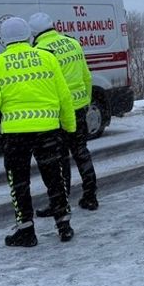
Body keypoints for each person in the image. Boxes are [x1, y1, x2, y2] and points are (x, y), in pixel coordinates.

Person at [0, 16, 76, 246]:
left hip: (16, 134)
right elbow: (64, 97)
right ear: (28, 35)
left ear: (3, 39)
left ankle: (26, 230)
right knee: (54, 176)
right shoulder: (47, 58)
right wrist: (69, 127)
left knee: (19, 181)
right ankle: (64, 224)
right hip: (47, 129)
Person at [28, 12, 99, 213]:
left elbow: (43, 86)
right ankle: (90, 196)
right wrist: (84, 102)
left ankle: (60, 202)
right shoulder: (72, 43)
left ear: (34, 33)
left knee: (59, 159)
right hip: (78, 108)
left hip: (58, 113)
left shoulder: (41, 51)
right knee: (81, 152)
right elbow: (86, 76)